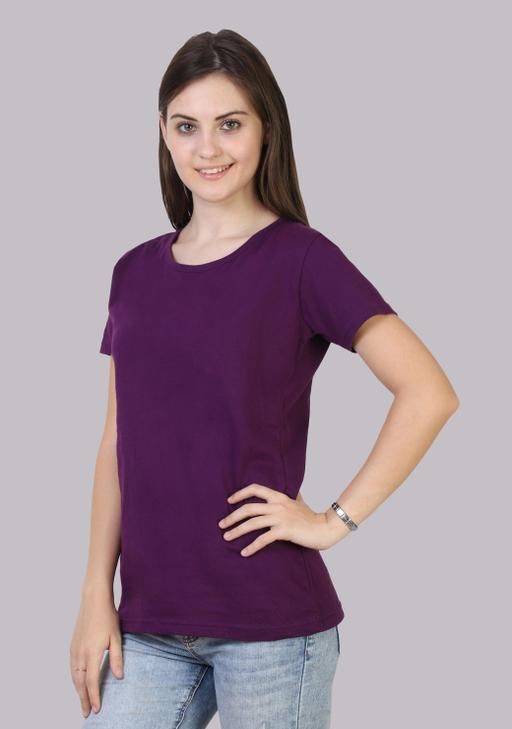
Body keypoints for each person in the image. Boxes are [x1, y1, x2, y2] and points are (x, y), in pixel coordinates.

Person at [70, 29, 459, 729]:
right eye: (186, 126)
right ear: (162, 131)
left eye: (230, 124)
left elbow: (429, 391)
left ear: (266, 128)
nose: (207, 148)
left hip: (273, 628)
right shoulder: (132, 273)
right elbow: (115, 444)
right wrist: (96, 591)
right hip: (149, 624)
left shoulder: (302, 260)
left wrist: (333, 521)